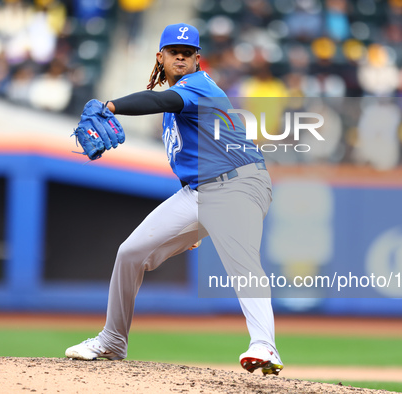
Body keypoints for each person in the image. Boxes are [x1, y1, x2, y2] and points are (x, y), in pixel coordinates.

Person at [64, 23, 284, 375]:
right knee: (131, 252)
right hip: (199, 193)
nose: (180, 55)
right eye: (173, 51)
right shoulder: (176, 109)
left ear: (198, 59)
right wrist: (195, 227)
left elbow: (159, 98)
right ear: (160, 57)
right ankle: (111, 341)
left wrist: (110, 105)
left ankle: (265, 346)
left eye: (187, 52)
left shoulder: (197, 86)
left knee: (241, 262)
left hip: (240, 183)